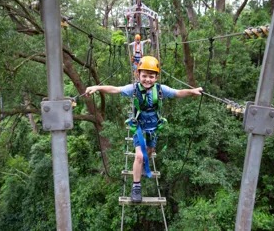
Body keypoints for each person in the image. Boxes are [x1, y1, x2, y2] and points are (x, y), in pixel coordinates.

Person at [85, 56, 202, 203]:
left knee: (149, 152)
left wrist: (193, 91)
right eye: (144, 76)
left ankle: (143, 166)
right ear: (138, 75)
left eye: (151, 76)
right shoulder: (133, 89)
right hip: (139, 128)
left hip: (154, 129)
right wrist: (98, 87)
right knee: (139, 156)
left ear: (156, 77)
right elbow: (115, 89)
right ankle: (136, 186)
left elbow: (178, 92)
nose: (147, 79)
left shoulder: (161, 90)